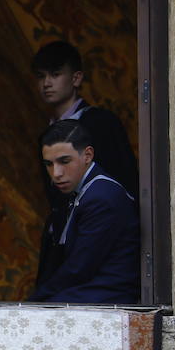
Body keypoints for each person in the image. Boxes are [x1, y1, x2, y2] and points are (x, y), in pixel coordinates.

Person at [30, 120, 140, 304]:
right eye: (49, 164)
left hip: (108, 297)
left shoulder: (101, 196)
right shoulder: (86, 191)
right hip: (89, 290)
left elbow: (79, 269)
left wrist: (35, 301)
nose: (56, 173)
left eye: (64, 161)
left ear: (87, 155)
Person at [32, 40, 138, 199]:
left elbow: (121, 183)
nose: (46, 83)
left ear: (76, 78)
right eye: (41, 76)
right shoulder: (45, 135)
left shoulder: (100, 123)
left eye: (55, 74)